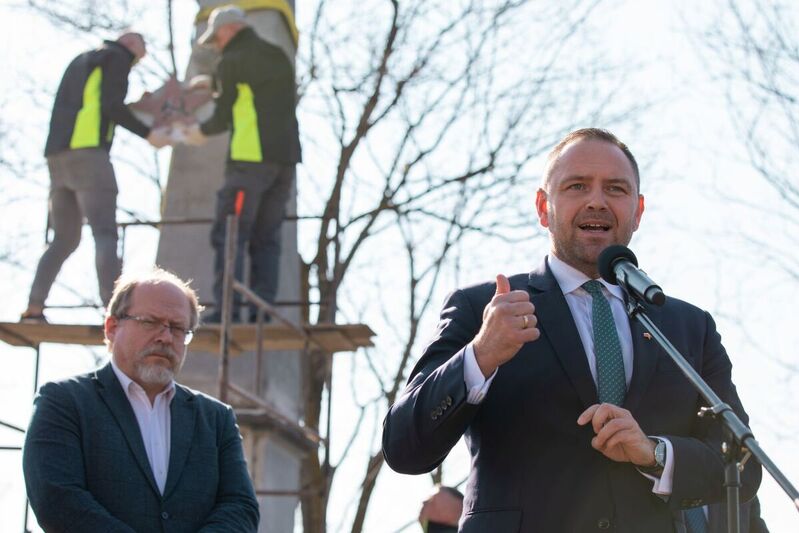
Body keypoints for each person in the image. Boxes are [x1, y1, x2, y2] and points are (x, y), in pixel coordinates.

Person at [382, 128, 762, 532]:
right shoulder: (485, 309)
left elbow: (741, 466)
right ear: (544, 207)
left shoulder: (687, 327)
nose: (596, 201)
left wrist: (654, 454)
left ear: (638, 210)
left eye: (616, 189)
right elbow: (405, 447)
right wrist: (481, 355)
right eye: (577, 186)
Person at [23, 268, 259, 531]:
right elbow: (58, 500)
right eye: (150, 322)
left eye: (179, 328)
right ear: (112, 327)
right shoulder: (64, 402)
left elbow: (240, 506)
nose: (165, 337)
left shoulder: (216, 419)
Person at [20, 33, 171, 322]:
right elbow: (110, 106)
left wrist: (136, 107)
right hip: (89, 157)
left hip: (58, 157)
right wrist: (149, 133)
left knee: (64, 239)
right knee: (104, 233)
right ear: (130, 44)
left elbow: (93, 104)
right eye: (141, 51)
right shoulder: (116, 58)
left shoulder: (84, 60)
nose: (141, 58)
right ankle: (114, 309)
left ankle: (34, 306)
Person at [183, 6, 301, 322]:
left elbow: (226, 113)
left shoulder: (232, 60)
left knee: (231, 234)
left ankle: (227, 310)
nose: (217, 45)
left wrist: (197, 131)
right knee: (267, 237)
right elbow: (258, 96)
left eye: (217, 38)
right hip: (285, 161)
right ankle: (262, 311)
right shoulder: (276, 55)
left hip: (249, 163)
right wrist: (216, 82)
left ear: (228, 30)